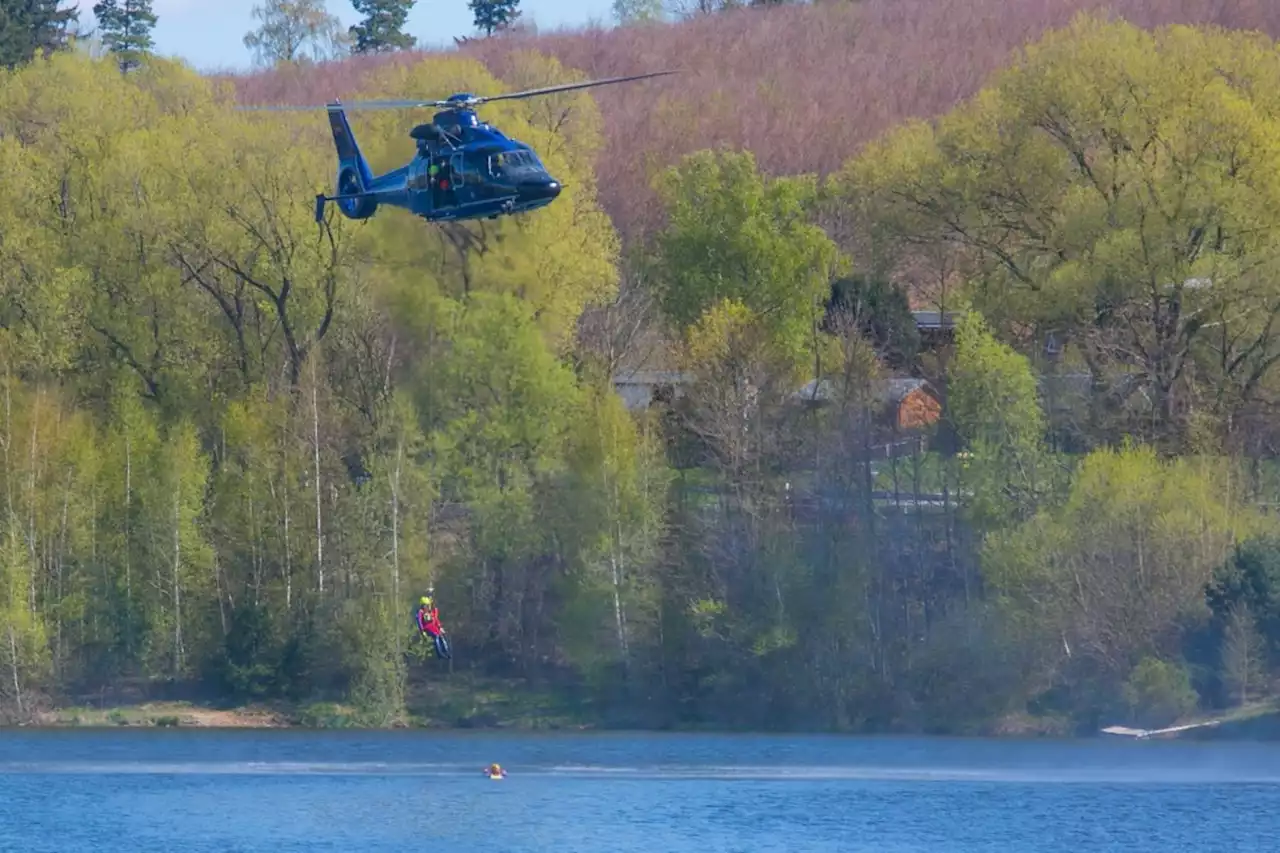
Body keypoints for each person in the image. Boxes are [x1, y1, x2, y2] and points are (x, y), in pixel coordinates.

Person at [416, 594, 451, 660]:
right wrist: (422, 631)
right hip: (427, 628)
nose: (428, 607)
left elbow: (436, 619)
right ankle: (439, 653)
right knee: (436, 636)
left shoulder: (431, 612)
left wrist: (440, 627)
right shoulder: (421, 612)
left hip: (434, 627)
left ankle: (446, 651)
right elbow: (419, 621)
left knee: (441, 636)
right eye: (426, 605)